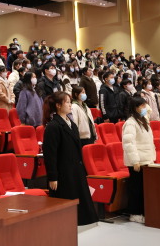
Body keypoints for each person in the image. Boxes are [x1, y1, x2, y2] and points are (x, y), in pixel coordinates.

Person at [42, 92, 98, 226]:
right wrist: (52, 177)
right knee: (65, 208)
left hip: (76, 169)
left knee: (81, 206)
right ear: (58, 105)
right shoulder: (53, 126)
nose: (70, 105)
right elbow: (50, 154)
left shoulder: (71, 123)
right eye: (67, 102)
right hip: (63, 172)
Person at [122, 96, 155, 224]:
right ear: (135, 108)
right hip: (137, 161)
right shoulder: (131, 123)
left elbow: (150, 111)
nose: (145, 108)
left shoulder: (143, 120)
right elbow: (129, 143)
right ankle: (134, 213)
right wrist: (135, 160)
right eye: (142, 106)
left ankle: (143, 211)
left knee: (143, 188)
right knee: (136, 188)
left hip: (146, 159)